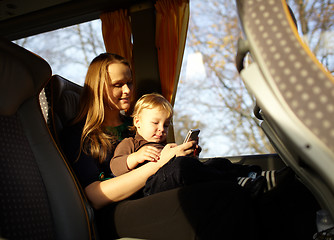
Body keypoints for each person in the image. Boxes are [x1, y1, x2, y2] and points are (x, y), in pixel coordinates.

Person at [61, 53, 319, 240]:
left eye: (129, 82)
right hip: (115, 212)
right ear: (99, 87)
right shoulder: (83, 134)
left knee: (285, 195)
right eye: (118, 85)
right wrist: (158, 166)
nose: (128, 89)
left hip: (153, 190)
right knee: (228, 197)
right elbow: (95, 196)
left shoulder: (135, 124)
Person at [111, 92, 269, 197]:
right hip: (149, 187)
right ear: (137, 122)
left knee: (217, 162)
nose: (161, 129)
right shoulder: (130, 143)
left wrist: (191, 154)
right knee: (183, 168)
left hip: (172, 178)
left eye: (166, 125)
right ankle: (237, 182)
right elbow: (115, 166)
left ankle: (254, 175)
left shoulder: (166, 146)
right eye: (155, 123)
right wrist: (135, 157)